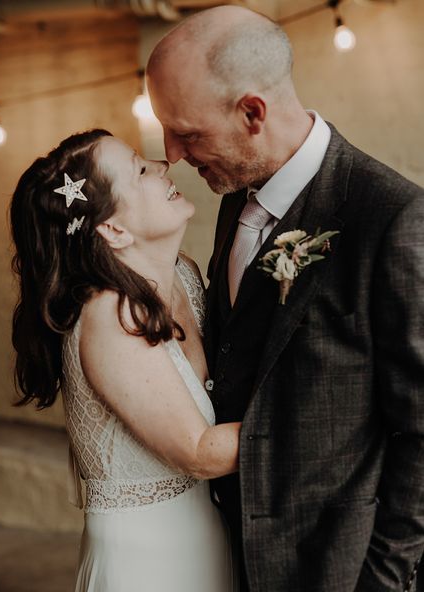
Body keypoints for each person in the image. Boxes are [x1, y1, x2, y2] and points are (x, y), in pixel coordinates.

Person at [146, 5, 424, 592]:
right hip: (229, 555)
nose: (171, 153)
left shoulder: (392, 218)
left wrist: (382, 576)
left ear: (253, 112)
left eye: (187, 133)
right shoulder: (234, 195)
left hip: (335, 565)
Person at [9, 128, 240, 592]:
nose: (163, 166)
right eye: (140, 169)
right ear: (113, 229)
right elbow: (199, 452)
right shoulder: (111, 314)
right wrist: (326, 417)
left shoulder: (184, 275)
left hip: (203, 532)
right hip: (146, 560)